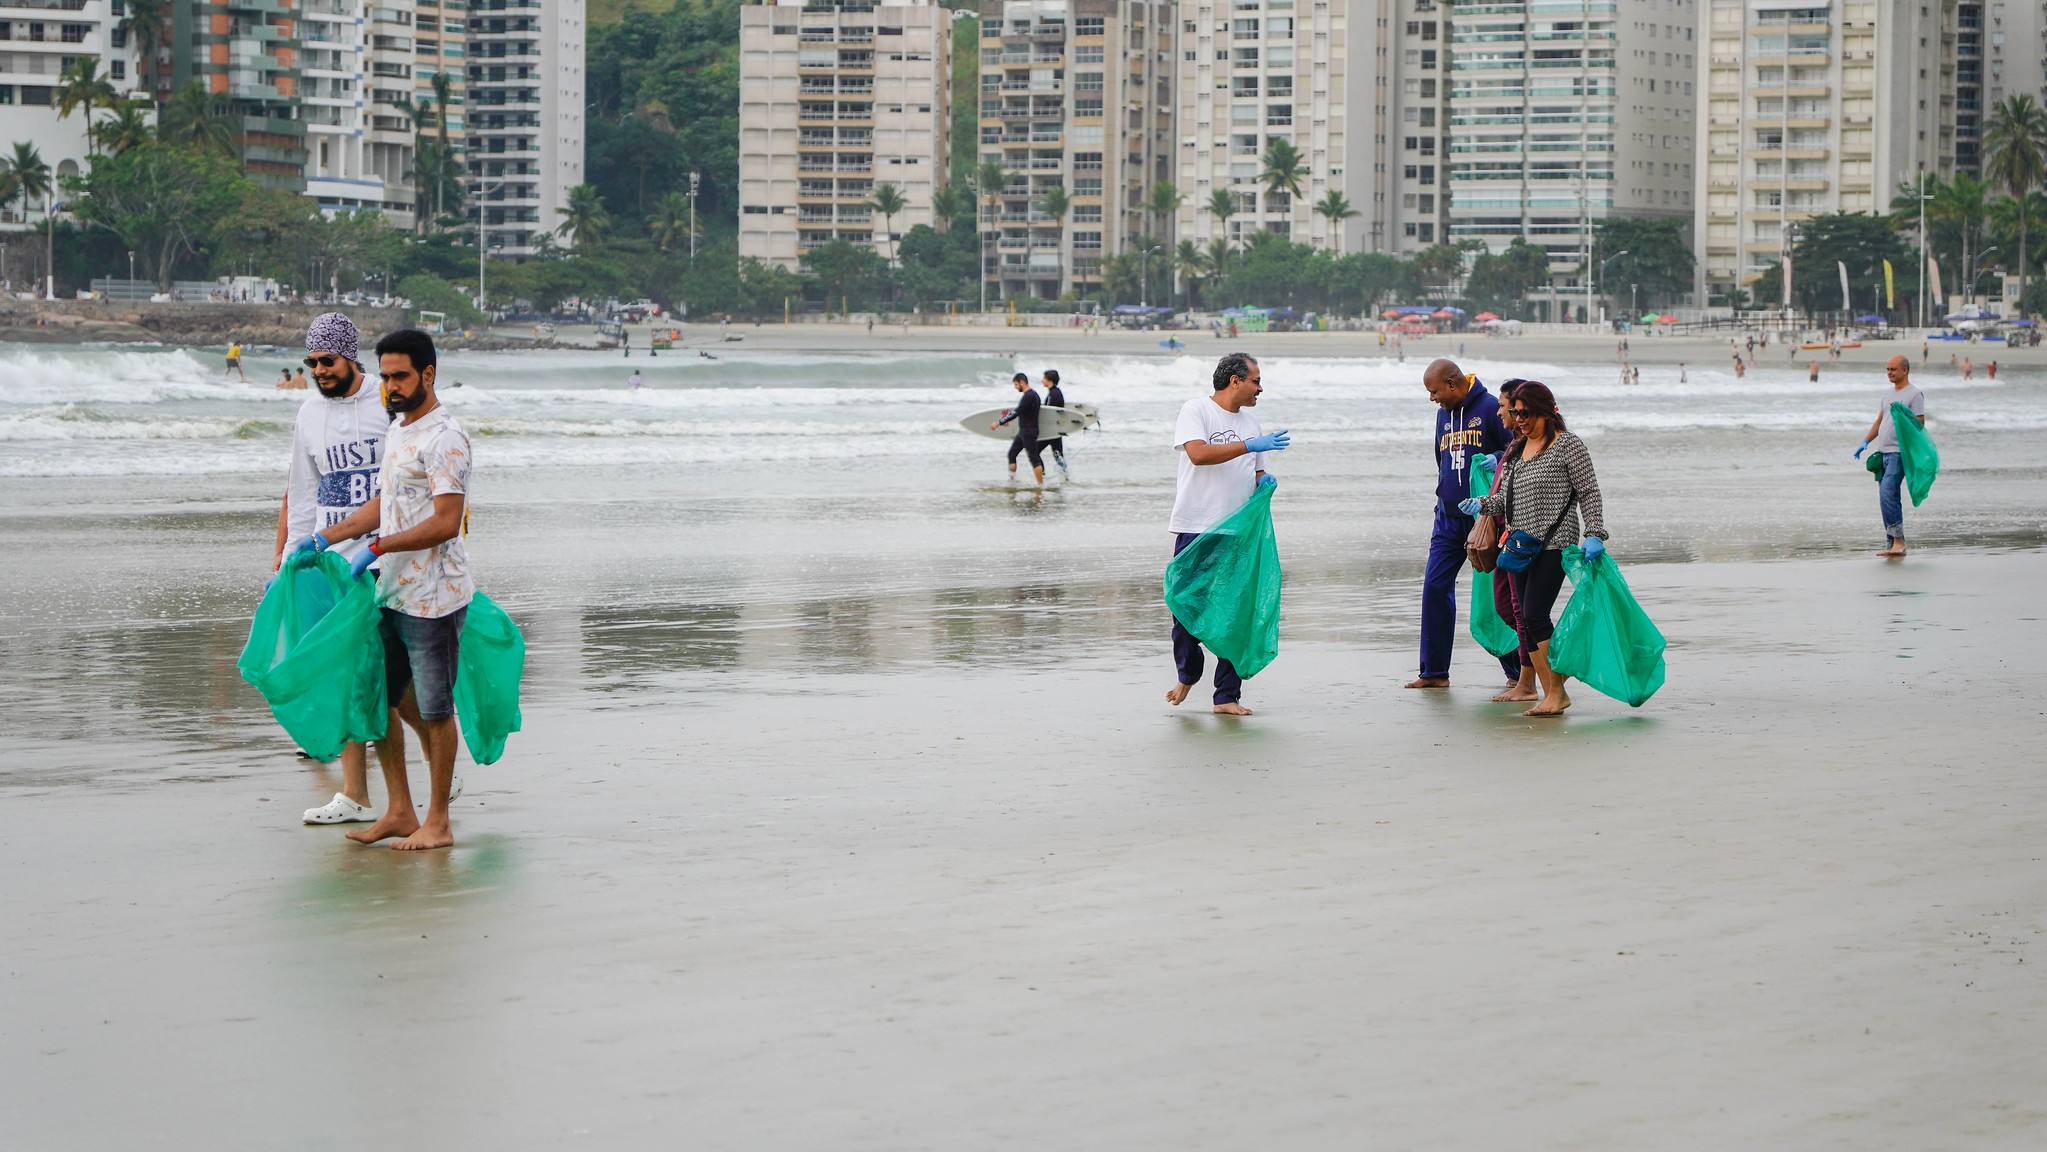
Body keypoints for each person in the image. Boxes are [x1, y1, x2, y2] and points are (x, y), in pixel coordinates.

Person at [303, 329, 474, 850]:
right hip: (392, 591)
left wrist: (377, 547)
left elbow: (446, 521)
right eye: (386, 377)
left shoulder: (446, 438)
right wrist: (325, 538)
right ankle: (400, 811)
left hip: (434, 596)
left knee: (435, 709)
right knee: (380, 700)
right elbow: (386, 502)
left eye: (401, 376)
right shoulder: (399, 430)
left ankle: (438, 822)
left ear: (428, 374)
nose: (391, 387)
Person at [274, 313, 389, 826]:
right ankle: (354, 795)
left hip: (386, 557)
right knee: (345, 674)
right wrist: (289, 561)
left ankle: (439, 762)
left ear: (350, 357)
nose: (319, 370)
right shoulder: (308, 413)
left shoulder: (386, 402)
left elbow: (411, 482)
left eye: (327, 360)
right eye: (312, 361)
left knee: (396, 676)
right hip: (330, 563)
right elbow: (302, 492)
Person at [1460, 381, 1608, 717]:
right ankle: (1553, 690)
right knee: (1527, 621)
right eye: (1515, 412)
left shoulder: (1568, 445)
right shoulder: (1517, 448)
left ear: (1546, 411)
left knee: (1534, 615)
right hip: (1519, 545)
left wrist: (1595, 533)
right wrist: (1481, 504)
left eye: (1525, 413)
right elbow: (1505, 499)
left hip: (1555, 542)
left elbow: (1589, 492)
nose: (1519, 419)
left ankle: (1556, 692)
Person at [1167, 353, 1289, 716]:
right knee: (1184, 606)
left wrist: (1264, 481)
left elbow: (1255, 471)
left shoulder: (1251, 420)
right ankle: (1188, 673)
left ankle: (1226, 696)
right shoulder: (1197, 410)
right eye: (1256, 381)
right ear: (1235, 381)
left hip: (1238, 532)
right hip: (1196, 525)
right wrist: (1249, 445)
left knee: (1236, 611)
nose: (1260, 388)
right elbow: (1198, 454)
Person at [1409, 358, 1516, 689]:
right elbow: (1440, 459)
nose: (1432, 398)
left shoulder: (1490, 408)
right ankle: (1434, 673)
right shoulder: (1443, 414)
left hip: (1484, 518)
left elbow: (1517, 449)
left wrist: (1496, 458)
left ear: (1452, 384)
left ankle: (1516, 672)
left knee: (1495, 596)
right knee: (1434, 588)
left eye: (1434, 392)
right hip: (1446, 518)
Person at [1488, 380, 1536, 703]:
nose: (1501, 413)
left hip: (1523, 539)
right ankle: (1543, 666)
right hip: (1506, 537)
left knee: (1522, 611)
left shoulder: (1533, 445)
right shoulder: (1515, 447)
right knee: (1506, 606)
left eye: (1503, 407)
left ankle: (1528, 681)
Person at [1854, 355, 1926, 559]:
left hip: (1898, 453)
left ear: (1905, 370)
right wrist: (1865, 441)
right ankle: (1891, 542)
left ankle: (1899, 541)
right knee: (1886, 497)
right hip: (1883, 452)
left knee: (1888, 493)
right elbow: (1880, 421)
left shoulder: (1914, 394)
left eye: (1893, 369)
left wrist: (1903, 412)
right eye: (1887, 369)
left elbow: (1920, 424)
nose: (1889, 372)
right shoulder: (1887, 395)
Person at [992, 371, 1045, 486]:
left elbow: (1016, 412)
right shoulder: (1030, 395)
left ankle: (1040, 485)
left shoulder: (1030, 396)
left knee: (1034, 459)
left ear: (1022, 382)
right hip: (1023, 432)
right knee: (1012, 454)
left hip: (1029, 432)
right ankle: (1012, 481)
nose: (1015, 387)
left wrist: (999, 422)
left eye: (1016, 384)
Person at [1040, 368, 1071, 480]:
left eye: (1044, 378)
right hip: (1056, 430)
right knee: (1058, 455)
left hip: (1051, 431)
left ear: (1050, 380)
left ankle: (1041, 476)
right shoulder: (1055, 392)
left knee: (1034, 451)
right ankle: (1066, 478)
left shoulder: (1054, 394)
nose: (1042, 380)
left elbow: (1049, 413)